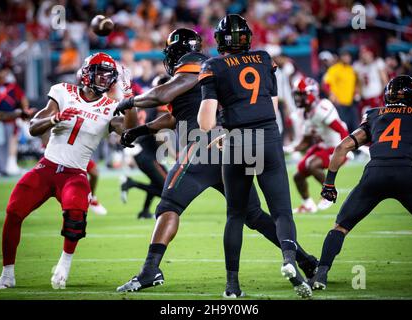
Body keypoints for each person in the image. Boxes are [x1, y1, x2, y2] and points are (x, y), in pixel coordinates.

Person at [113, 28, 317, 297]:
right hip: (231, 145)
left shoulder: (195, 64)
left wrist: (128, 100)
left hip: (203, 146)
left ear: (176, 52)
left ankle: (150, 270)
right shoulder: (208, 70)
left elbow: (161, 96)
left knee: (169, 205)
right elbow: (179, 115)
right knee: (252, 215)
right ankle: (303, 259)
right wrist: (141, 130)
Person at [0, 52, 137, 290]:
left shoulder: (111, 107)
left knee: (76, 213)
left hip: (75, 173)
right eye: (100, 73)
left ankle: (64, 264)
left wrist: (129, 98)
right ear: (88, 73)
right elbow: (34, 127)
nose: (104, 79)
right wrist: (54, 119)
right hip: (46, 167)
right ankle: (7, 274)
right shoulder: (63, 91)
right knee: (13, 211)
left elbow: (131, 133)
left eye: (109, 75)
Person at [197, 14, 312, 298]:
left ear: (220, 40)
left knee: (236, 214)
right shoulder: (264, 58)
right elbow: (271, 105)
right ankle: (288, 259)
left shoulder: (212, 66)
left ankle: (232, 286)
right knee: (282, 211)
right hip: (268, 137)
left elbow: (206, 123)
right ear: (247, 37)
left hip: (237, 139)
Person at [310, 75, 412, 290]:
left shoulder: (375, 115)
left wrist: (329, 184)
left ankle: (320, 275)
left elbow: (342, 147)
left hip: (374, 174)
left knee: (340, 227)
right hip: (406, 173)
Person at [284, 77, 349, 213]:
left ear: (311, 94)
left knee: (312, 165)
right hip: (324, 146)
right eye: (297, 95)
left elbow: (341, 130)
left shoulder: (321, 107)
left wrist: (346, 150)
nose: (298, 98)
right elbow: (306, 142)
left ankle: (329, 192)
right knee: (298, 176)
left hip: (337, 147)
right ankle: (308, 205)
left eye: (301, 94)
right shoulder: (306, 113)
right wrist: (289, 149)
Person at [120, 74, 170, 219]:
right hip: (147, 153)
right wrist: (172, 152)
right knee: (165, 188)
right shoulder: (159, 104)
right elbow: (159, 133)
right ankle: (132, 183)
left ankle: (144, 211)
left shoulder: (147, 102)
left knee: (157, 182)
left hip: (143, 151)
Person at [323, 50, 358, 134]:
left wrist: (356, 93)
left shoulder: (351, 70)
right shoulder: (334, 69)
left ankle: (355, 147)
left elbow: (354, 84)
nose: (346, 58)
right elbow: (326, 84)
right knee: (343, 129)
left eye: (348, 56)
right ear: (340, 57)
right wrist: (332, 96)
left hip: (350, 104)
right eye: (344, 56)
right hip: (339, 104)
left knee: (354, 128)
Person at [353, 46, 388, 116]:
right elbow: (357, 83)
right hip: (364, 99)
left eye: (366, 53)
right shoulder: (357, 66)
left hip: (377, 97)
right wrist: (358, 94)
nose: (364, 55)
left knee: (378, 120)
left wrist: (384, 96)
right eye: (362, 53)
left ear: (371, 54)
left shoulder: (377, 63)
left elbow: (384, 80)